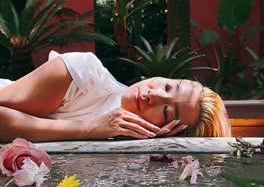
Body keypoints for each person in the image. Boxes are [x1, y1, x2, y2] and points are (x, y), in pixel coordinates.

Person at [0, 51, 231, 142]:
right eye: (169, 87)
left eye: (166, 111)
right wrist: (89, 128)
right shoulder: (84, 73)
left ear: (170, 132)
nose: (155, 95)